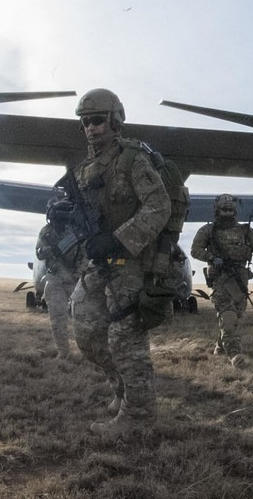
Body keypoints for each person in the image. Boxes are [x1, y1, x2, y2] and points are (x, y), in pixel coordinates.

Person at [65, 88, 171, 438]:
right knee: (85, 327)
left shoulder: (132, 159)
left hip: (131, 264)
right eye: (85, 122)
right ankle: (123, 391)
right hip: (98, 263)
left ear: (114, 120)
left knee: (126, 342)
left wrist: (118, 238)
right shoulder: (84, 170)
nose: (91, 128)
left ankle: (138, 418)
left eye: (97, 120)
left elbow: (159, 206)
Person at [190, 194, 253, 367]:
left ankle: (220, 347)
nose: (227, 213)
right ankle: (235, 354)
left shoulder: (244, 231)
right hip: (219, 279)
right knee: (228, 316)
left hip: (239, 280)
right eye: (224, 210)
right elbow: (195, 250)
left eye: (230, 210)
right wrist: (211, 257)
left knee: (236, 315)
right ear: (217, 210)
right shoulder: (207, 231)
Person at [34, 200, 81, 359]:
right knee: (57, 319)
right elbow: (39, 252)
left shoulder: (78, 230)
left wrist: (80, 272)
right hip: (55, 279)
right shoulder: (46, 232)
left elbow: (86, 254)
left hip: (76, 279)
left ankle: (88, 353)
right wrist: (52, 249)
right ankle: (63, 353)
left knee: (83, 319)